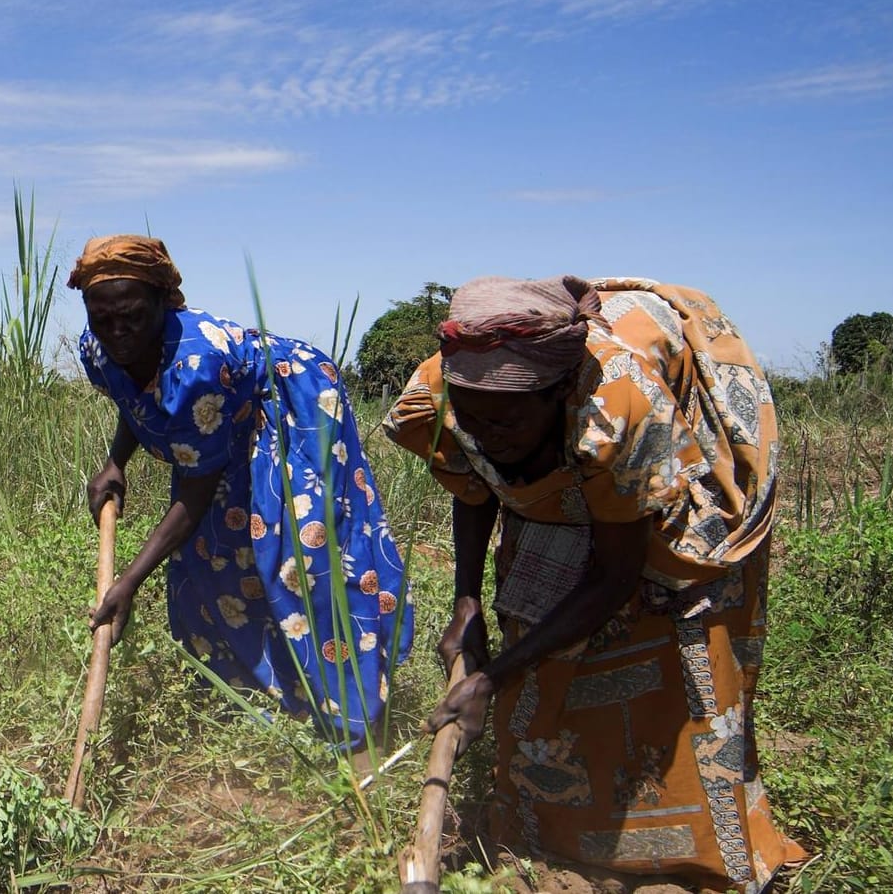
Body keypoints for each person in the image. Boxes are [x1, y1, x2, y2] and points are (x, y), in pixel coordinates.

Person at [383, 275, 805, 891]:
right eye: (476, 413)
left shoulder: (620, 409)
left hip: (673, 466)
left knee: (675, 621)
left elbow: (613, 577)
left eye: (509, 417)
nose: (489, 429)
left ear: (559, 395)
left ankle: (691, 852)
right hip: (569, 462)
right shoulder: (444, 388)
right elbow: (472, 477)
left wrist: (493, 677)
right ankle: (540, 828)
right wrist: (466, 607)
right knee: (535, 625)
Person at [71, 235, 413, 745]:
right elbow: (134, 397)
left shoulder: (196, 368)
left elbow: (195, 494)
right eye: (103, 318)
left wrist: (128, 582)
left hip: (291, 404)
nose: (118, 332)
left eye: (133, 317)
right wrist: (115, 461)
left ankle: (354, 715)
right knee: (214, 551)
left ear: (164, 303)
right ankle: (245, 694)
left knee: (302, 556)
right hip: (221, 422)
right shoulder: (97, 346)